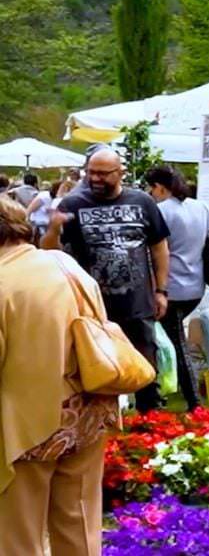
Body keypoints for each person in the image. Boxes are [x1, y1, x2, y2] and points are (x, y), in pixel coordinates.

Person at [0, 197, 117, 556]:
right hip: (89, 411)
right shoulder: (67, 264)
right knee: (80, 524)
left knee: (19, 538)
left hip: (27, 428)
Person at [42, 147, 171, 413]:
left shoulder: (143, 202)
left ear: (120, 173)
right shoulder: (73, 204)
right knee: (96, 368)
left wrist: (161, 290)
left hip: (138, 303)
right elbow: (48, 252)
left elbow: (159, 248)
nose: (95, 179)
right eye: (91, 173)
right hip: (93, 307)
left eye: (103, 174)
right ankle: (100, 423)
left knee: (146, 366)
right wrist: (54, 229)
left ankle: (151, 421)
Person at [145, 165, 209, 411]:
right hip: (196, 286)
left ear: (160, 187)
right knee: (174, 339)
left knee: (177, 344)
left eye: (152, 188)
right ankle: (177, 392)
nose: (150, 193)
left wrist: (157, 288)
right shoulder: (201, 207)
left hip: (171, 287)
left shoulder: (160, 211)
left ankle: (193, 401)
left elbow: (157, 252)